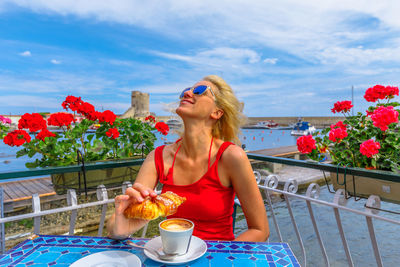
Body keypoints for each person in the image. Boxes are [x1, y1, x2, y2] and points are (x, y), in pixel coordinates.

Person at [107, 75, 269, 241]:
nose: (188, 93)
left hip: (218, 257)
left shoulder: (231, 156)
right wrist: (122, 227)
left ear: (217, 112)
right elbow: (114, 227)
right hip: (173, 256)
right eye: (186, 91)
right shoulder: (158, 157)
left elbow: (260, 230)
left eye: (199, 91)